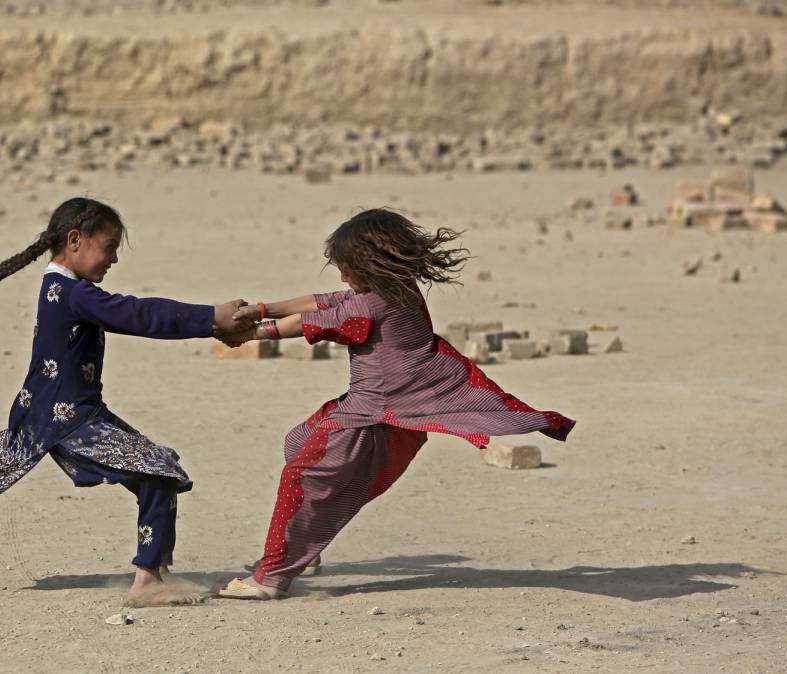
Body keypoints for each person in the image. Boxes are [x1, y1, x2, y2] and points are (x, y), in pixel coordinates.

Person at [217, 208, 575, 600]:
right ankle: (305, 550)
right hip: (377, 406)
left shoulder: (370, 305)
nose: (342, 278)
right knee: (298, 442)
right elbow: (323, 301)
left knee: (301, 478)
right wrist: (263, 308)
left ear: (367, 266)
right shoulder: (395, 288)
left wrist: (250, 333)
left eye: (346, 269)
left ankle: (271, 577)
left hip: (373, 415)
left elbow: (309, 322)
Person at [0, 197, 248, 606]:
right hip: (68, 421)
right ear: (75, 240)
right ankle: (147, 580)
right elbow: (138, 314)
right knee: (158, 471)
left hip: (76, 415)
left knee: (160, 469)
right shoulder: (71, 293)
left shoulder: (64, 289)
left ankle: (158, 570)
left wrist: (213, 325)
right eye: (108, 247)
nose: (112, 259)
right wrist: (211, 316)